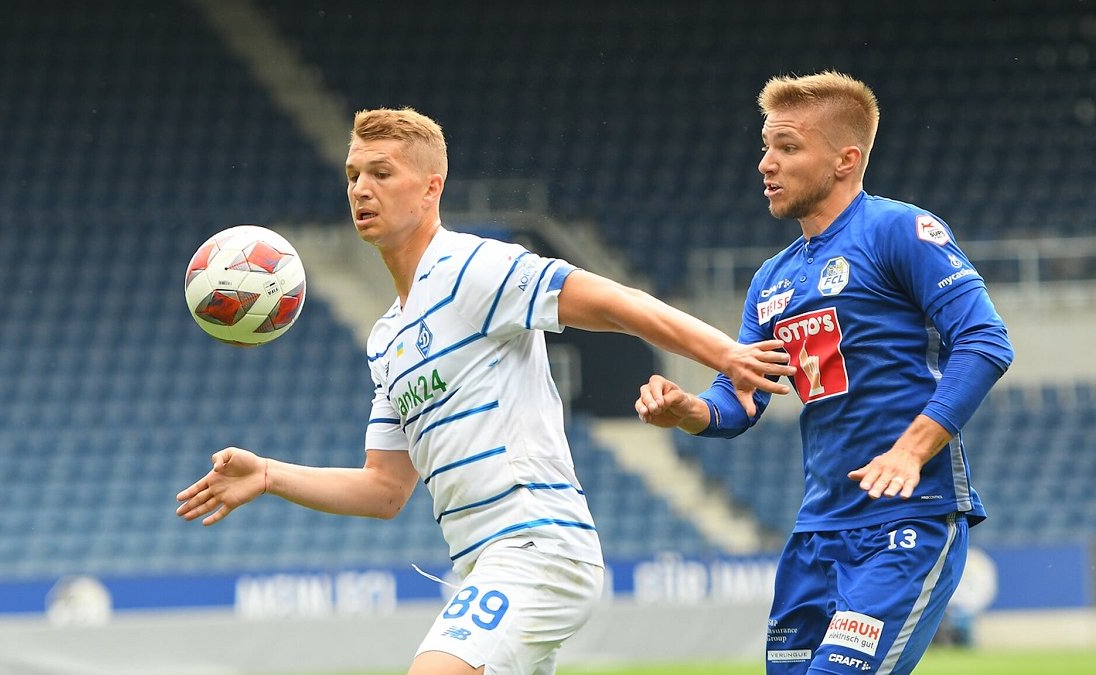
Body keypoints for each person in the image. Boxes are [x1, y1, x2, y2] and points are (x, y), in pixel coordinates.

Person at [177, 107, 794, 675]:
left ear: (431, 188)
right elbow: (384, 490)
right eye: (353, 175)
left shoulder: (474, 267)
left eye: (381, 173)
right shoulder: (387, 337)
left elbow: (615, 302)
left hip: (536, 548)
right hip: (479, 563)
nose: (361, 189)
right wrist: (270, 475)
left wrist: (726, 354)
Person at [635, 71, 1014, 675]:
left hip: (906, 519)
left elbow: (986, 341)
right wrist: (689, 410)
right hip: (817, 533)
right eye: (766, 146)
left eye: (787, 147)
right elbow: (741, 398)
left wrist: (911, 451)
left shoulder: (898, 230)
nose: (766, 163)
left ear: (845, 160)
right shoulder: (772, 279)